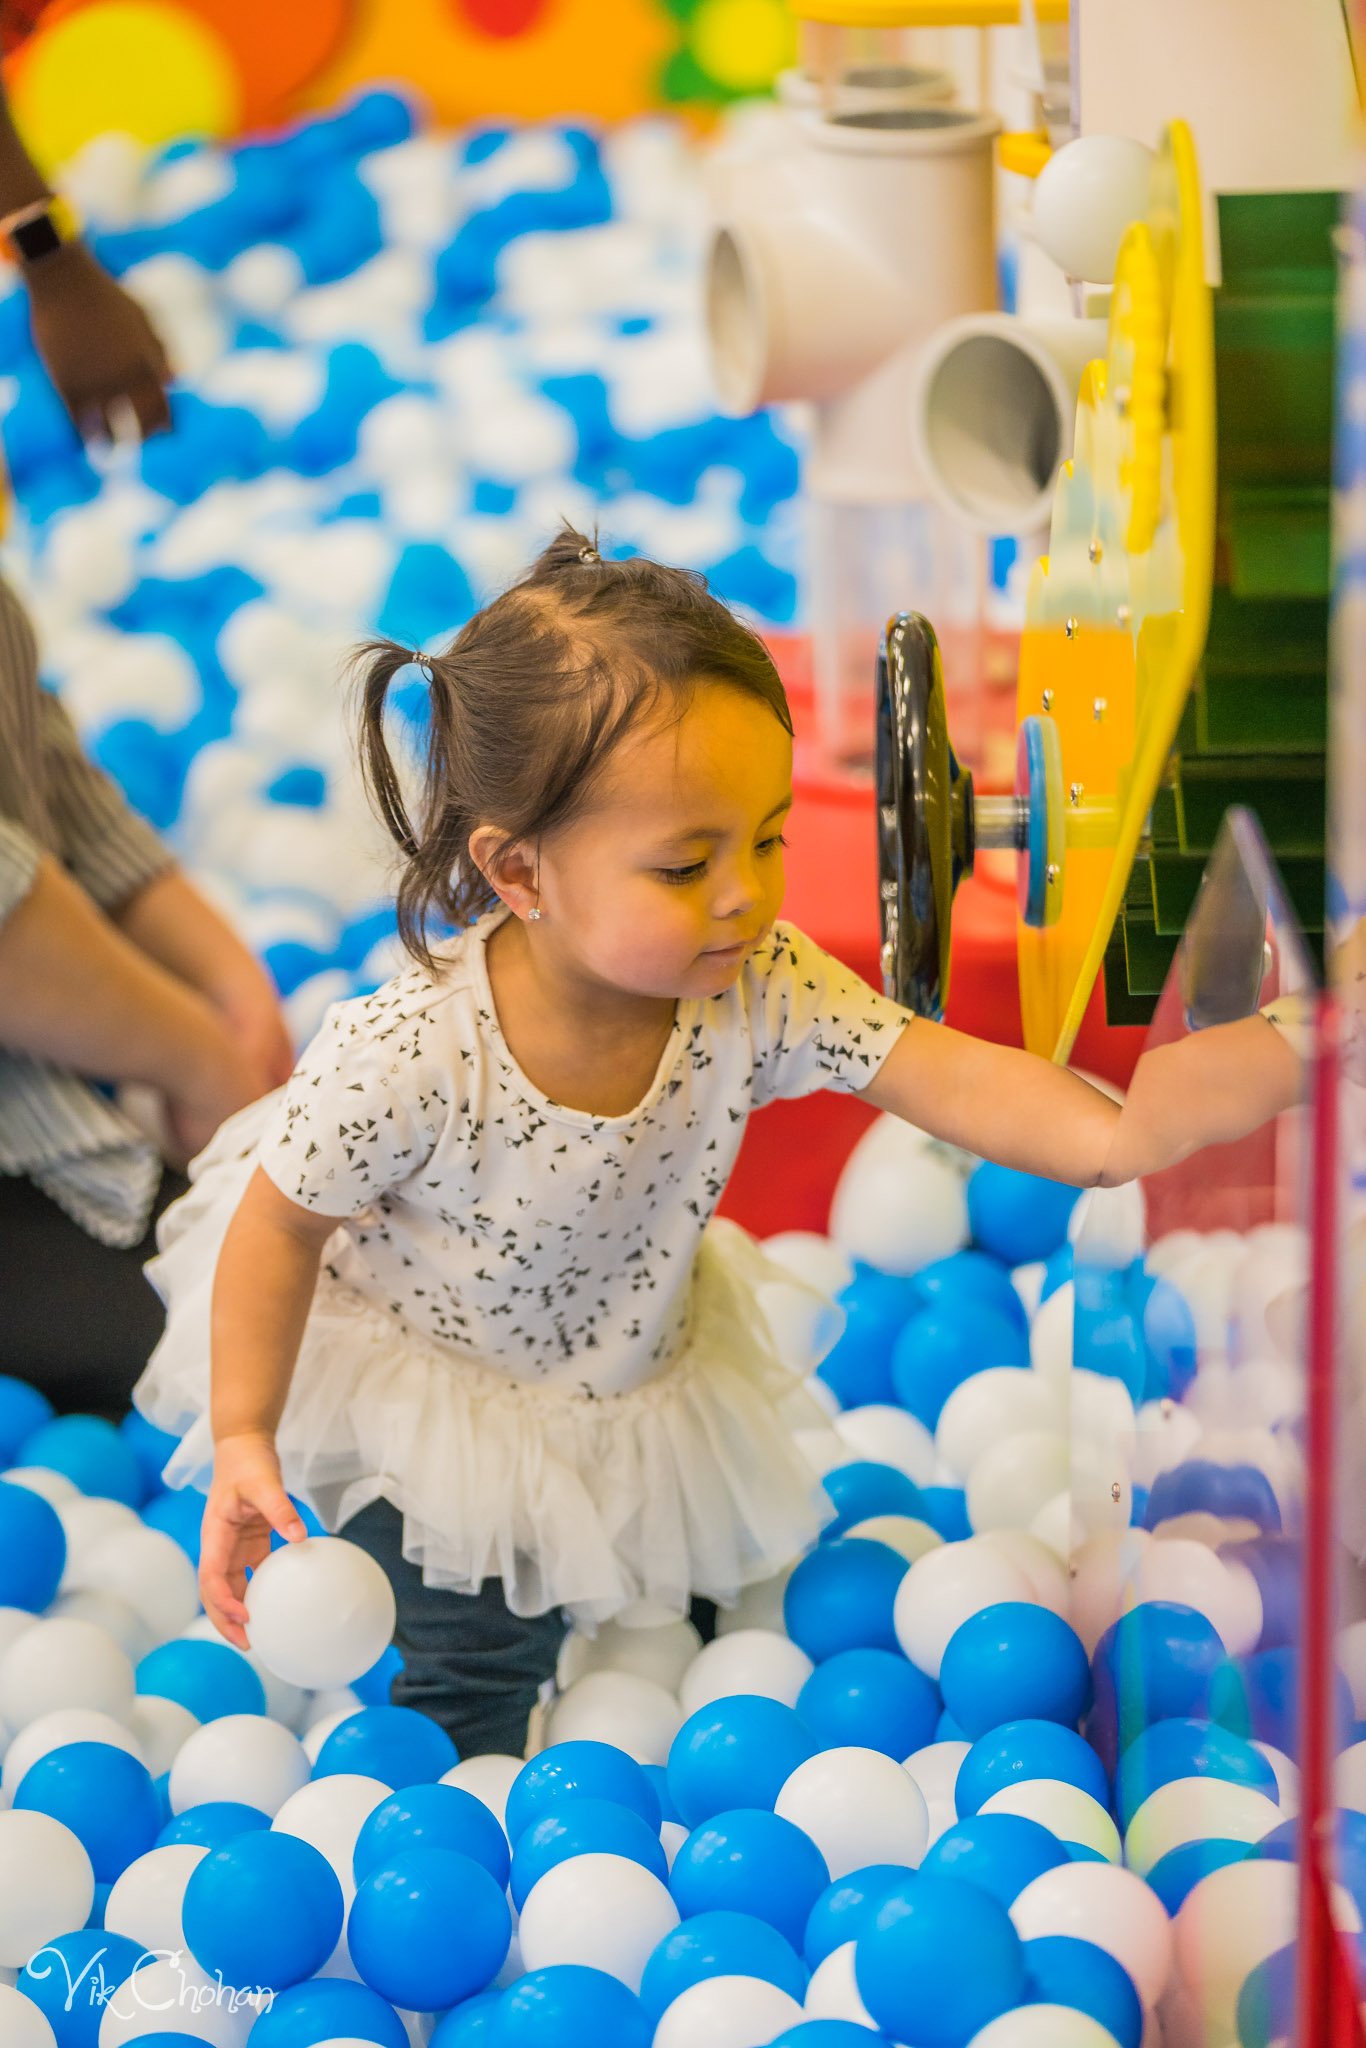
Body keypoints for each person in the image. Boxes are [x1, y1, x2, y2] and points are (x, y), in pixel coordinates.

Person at [134, 527, 1304, 1757]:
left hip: (625, 1353)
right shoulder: (412, 1054)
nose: (745, 892)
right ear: (518, 871)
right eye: (686, 862)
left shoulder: (756, 983)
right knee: (480, 1652)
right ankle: (462, 1790)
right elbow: (278, 1222)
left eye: (771, 836)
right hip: (436, 1396)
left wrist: (1147, 1117)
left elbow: (945, 1071)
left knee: (682, 1587)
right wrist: (246, 1432)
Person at [0, 78, 294, 1410]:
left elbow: (44, 774)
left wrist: (221, 983)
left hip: (58, 1101)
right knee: (261, 1367)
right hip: (39, 1144)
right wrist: (186, 1052)